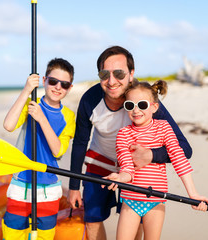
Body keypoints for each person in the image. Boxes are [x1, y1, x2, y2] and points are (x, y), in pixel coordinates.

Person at [68, 46, 192, 240]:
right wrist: (74, 186)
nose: (111, 81)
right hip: (98, 163)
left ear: (131, 73)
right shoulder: (90, 99)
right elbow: (80, 142)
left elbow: (185, 149)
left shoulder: (143, 100)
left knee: (136, 229)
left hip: (136, 168)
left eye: (119, 73)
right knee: (91, 220)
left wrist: (152, 155)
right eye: (104, 74)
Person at [102, 80, 208, 240]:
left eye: (142, 105)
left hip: (156, 201)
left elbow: (178, 157)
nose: (136, 110)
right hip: (130, 199)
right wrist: (120, 178)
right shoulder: (123, 134)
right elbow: (127, 168)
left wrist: (193, 194)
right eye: (130, 106)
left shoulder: (164, 127)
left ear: (154, 107)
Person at [2, 58, 76, 240]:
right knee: (13, 234)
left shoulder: (68, 116)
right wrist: (27, 90)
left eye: (64, 84)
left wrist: (41, 118)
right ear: (44, 81)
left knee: (44, 236)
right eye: (53, 81)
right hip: (21, 183)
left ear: (69, 88)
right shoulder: (30, 103)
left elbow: (58, 151)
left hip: (48, 189)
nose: (58, 87)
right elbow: (8, 125)